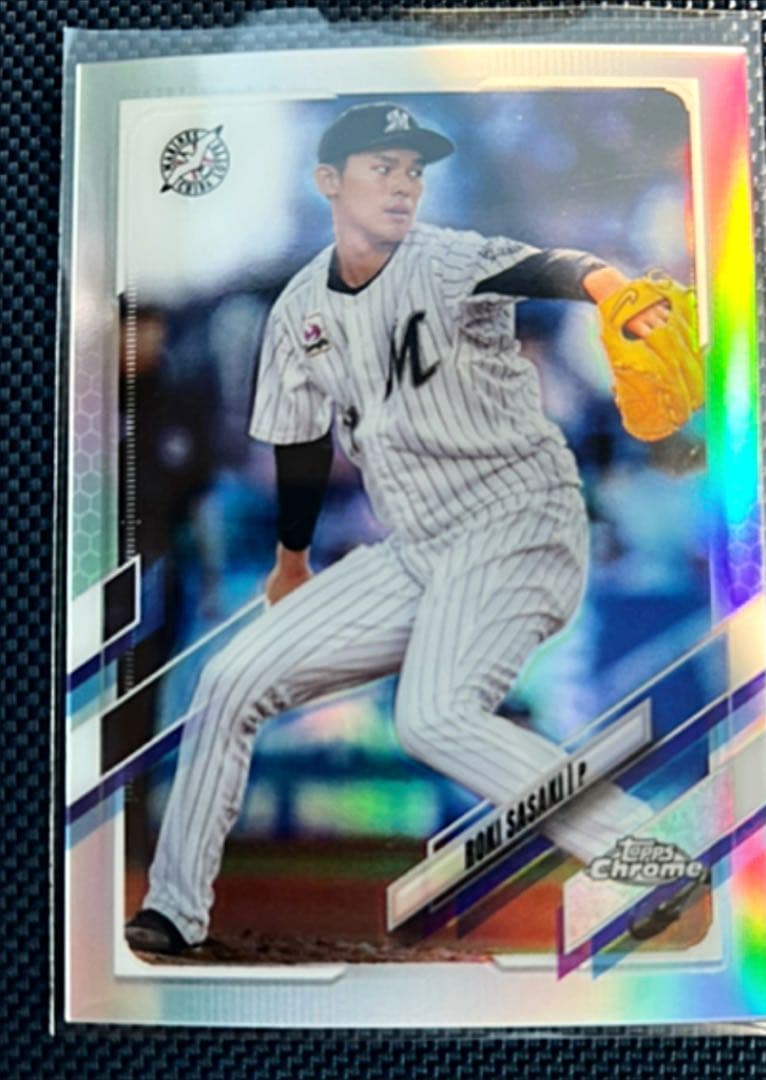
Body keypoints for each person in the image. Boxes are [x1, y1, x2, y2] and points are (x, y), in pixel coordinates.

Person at [125, 102, 672, 955]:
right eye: (382, 166)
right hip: (418, 548)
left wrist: (606, 286)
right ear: (329, 183)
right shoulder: (297, 307)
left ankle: (646, 856)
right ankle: (172, 911)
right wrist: (292, 561)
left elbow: (547, 267)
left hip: (516, 524)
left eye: (412, 170)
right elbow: (299, 443)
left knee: (432, 716)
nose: (403, 183)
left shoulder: (449, 260)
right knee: (229, 680)